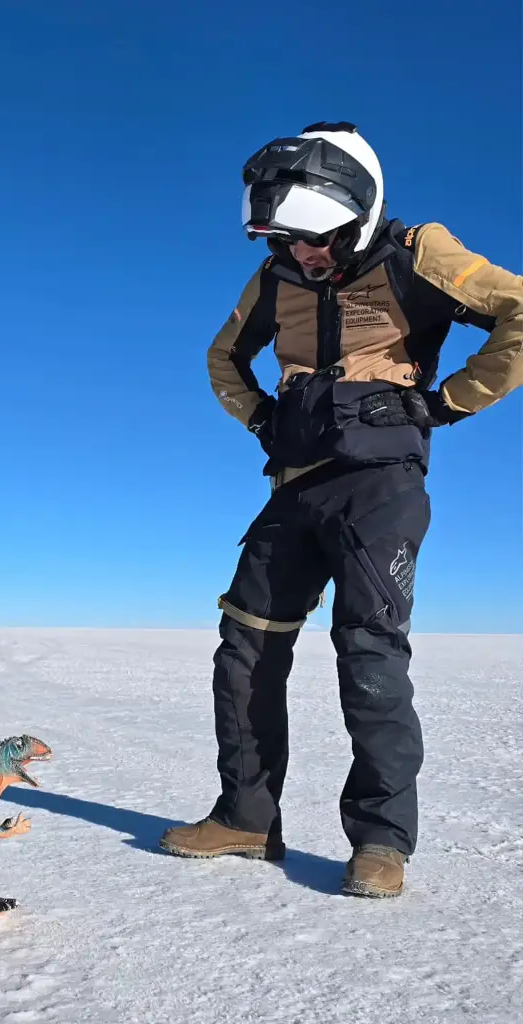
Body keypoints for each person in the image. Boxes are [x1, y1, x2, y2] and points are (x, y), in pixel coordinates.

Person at [159, 121, 523, 897]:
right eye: (284, 242)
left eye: (315, 239)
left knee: (369, 654)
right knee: (246, 647)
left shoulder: (418, 253)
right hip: (293, 484)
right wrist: (258, 416)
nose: (303, 255)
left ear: (358, 210)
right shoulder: (275, 280)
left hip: (380, 486)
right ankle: (247, 818)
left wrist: (448, 403)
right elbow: (224, 356)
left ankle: (381, 843)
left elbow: (521, 310)